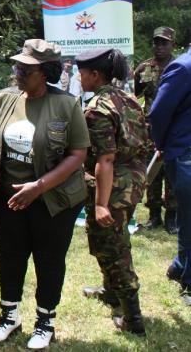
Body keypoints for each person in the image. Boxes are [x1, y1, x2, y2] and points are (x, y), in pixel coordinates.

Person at [0, 39, 89, 349]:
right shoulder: (4, 98)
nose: (18, 73)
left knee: (49, 260)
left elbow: (78, 154)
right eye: (18, 67)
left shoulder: (66, 105)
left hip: (52, 201)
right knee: (10, 257)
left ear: (46, 73)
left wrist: (38, 187)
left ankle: (45, 324)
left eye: (26, 69)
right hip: (10, 198)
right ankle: (9, 317)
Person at [77, 48, 148, 335]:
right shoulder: (128, 99)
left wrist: (101, 204)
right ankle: (110, 292)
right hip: (132, 180)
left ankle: (133, 318)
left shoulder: (98, 108)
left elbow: (105, 158)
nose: (79, 77)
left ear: (95, 75)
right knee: (106, 241)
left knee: (115, 248)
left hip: (112, 186)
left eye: (82, 73)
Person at [149, 44, 191, 306]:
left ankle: (179, 266)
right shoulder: (182, 67)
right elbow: (158, 112)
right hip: (186, 152)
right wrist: (164, 145)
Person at [135, 26, 177, 232]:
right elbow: (135, 96)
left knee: (172, 172)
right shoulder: (144, 68)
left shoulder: (180, 68)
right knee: (151, 174)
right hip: (151, 131)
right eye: (157, 42)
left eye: (164, 42)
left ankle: (172, 217)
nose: (159, 46)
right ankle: (154, 216)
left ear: (172, 45)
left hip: (175, 131)